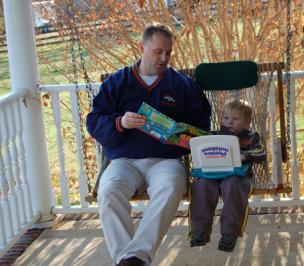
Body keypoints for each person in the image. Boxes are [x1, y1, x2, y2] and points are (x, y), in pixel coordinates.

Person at [86, 24, 211, 266]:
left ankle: (133, 258)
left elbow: (201, 124)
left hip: (165, 161)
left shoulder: (182, 85)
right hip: (123, 161)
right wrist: (120, 122)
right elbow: (94, 121)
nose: (164, 58)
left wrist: (181, 133)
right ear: (142, 47)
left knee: (171, 186)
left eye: (168, 52)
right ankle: (132, 259)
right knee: (109, 190)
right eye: (158, 51)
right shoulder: (118, 82)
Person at [189, 99, 265, 252]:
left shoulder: (251, 137)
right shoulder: (214, 135)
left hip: (236, 176)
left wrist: (244, 155)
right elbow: (200, 150)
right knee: (201, 186)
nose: (229, 122)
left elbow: (261, 153)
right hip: (211, 174)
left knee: (233, 187)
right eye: (226, 118)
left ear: (247, 122)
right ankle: (199, 231)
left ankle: (230, 234)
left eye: (235, 118)